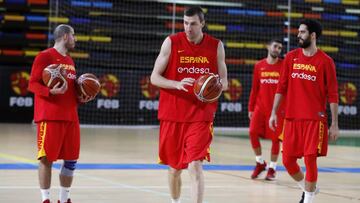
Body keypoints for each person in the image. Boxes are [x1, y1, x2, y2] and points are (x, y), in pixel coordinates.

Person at [150, 6, 228, 203]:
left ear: (202, 23)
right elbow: (154, 78)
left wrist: (213, 88)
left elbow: (225, 82)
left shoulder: (216, 46)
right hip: (172, 114)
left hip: (201, 116)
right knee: (175, 169)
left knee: (195, 165)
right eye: (185, 23)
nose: (188, 27)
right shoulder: (171, 42)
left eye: (193, 23)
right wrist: (176, 84)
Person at [269, 19, 339, 203]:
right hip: (291, 118)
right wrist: (273, 112)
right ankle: (309, 189)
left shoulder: (326, 62)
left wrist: (334, 124)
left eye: (302, 32)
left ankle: (308, 199)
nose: (298, 35)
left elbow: (333, 94)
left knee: (310, 160)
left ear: (313, 35)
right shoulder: (291, 57)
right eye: (298, 32)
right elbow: (281, 87)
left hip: (314, 120)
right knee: (287, 162)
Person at [28, 24, 92, 203]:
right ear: (65, 36)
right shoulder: (45, 56)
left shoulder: (70, 61)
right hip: (51, 117)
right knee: (46, 160)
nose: (75, 39)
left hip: (71, 117)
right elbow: (32, 84)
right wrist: (50, 92)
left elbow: (70, 91)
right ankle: (45, 199)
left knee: (71, 161)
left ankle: (64, 199)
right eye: (73, 35)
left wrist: (81, 98)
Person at [248, 39, 285, 180]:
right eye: (275, 46)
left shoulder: (283, 66)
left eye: (280, 48)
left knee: (276, 139)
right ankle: (259, 163)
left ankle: (272, 168)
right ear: (268, 46)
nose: (277, 49)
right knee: (252, 132)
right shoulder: (259, 66)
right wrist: (251, 108)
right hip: (260, 108)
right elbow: (254, 89)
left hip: (277, 110)